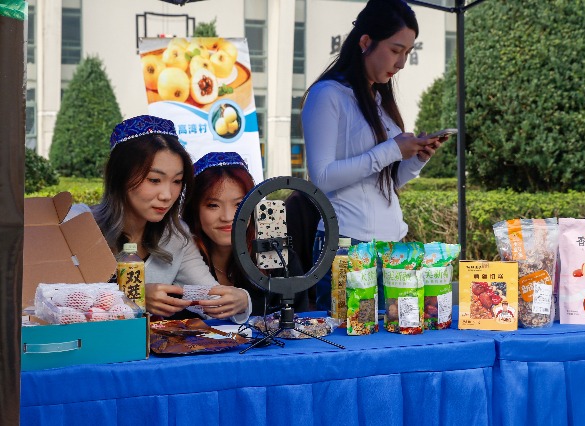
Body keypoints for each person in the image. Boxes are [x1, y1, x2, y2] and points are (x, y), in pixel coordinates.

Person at [301, 0, 450, 311]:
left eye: (408, 53)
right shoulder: (328, 95)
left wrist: (417, 158)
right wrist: (393, 149)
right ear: (366, 42)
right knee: (351, 345)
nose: (402, 63)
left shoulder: (380, 100)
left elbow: (388, 181)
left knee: (393, 341)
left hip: (393, 247)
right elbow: (322, 177)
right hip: (347, 246)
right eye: (396, 50)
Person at [66, 115, 251, 323]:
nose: (167, 194)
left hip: (145, 353)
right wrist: (133, 296)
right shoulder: (77, 224)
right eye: (154, 180)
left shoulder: (176, 236)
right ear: (120, 177)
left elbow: (209, 296)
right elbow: (47, 298)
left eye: (177, 181)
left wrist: (241, 300)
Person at [182, 151, 309, 316]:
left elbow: (297, 320)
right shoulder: (180, 258)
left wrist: (248, 304)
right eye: (213, 205)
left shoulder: (276, 256)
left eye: (239, 204)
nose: (227, 217)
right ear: (194, 208)